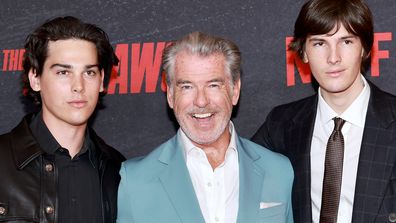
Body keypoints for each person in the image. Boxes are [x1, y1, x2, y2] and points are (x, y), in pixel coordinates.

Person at [117, 31, 294, 223]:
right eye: (187, 86)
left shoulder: (278, 170)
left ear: (235, 90)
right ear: (170, 95)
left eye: (213, 85)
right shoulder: (135, 181)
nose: (201, 101)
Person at [252, 0, 396, 222]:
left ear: (365, 48)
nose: (333, 57)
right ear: (304, 52)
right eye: (320, 43)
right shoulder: (282, 124)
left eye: (346, 41)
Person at [0, 16, 125, 223]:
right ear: (35, 79)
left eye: (89, 72)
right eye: (63, 72)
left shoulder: (119, 171)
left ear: (102, 81)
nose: (78, 86)